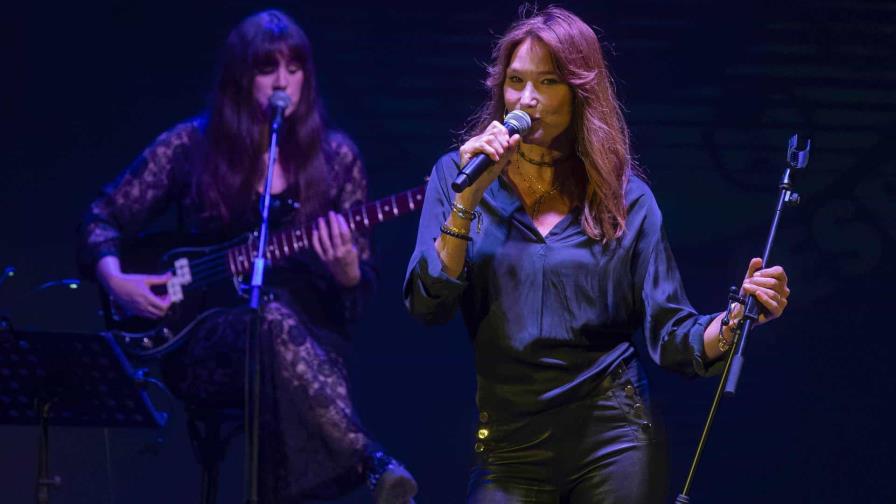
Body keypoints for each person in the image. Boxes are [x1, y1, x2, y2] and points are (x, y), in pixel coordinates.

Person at [404, 6, 790, 503]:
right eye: (515, 81)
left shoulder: (624, 198)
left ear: (579, 94)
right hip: (508, 444)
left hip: (613, 438)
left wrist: (737, 319)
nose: (527, 99)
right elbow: (426, 304)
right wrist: (466, 204)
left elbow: (671, 334)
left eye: (547, 82)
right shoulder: (459, 175)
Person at [78, 10, 417, 503]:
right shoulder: (191, 145)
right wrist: (116, 279)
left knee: (278, 325)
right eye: (267, 68)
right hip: (205, 339)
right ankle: (368, 463)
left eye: (295, 67)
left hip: (312, 342)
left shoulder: (337, 157)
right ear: (241, 78)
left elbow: (355, 296)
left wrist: (347, 270)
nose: (284, 81)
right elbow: (100, 217)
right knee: (266, 319)